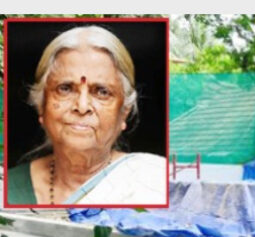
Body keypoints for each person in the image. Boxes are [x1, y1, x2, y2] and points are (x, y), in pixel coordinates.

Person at [6, 25, 166, 205]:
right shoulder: (8, 189)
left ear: (124, 112)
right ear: (41, 106)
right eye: (65, 89)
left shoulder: (154, 181)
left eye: (102, 92)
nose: (82, 107)